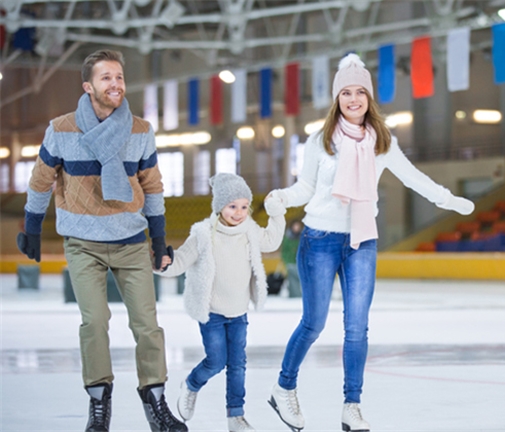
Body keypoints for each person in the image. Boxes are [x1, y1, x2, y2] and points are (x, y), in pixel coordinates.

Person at [265, 53, 474, 432]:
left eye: (360, 91)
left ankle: (351, 405)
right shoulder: (320, 140)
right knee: (313, 323)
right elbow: (307, 187)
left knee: (357, 327)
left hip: (363, 240)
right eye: (346, 92)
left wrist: (447, 199)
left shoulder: (382, 141)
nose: (354, 99)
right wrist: (281, 197)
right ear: (336, 98)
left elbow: (413, 177)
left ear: (370, 97)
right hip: (321, 237)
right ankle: (284, 388)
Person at [16, 49, 186, 432]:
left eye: (120, 77)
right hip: (83, 242)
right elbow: (41, 180)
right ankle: (99, 404)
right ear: (88, 86)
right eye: (106, 78)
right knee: (94, 322)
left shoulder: (140, 130)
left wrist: (158, 242)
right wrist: (31, 227)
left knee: (148, 324)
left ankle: (156, 403)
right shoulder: (61, 129)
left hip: (130, 240)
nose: (115, 84)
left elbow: (153, 187)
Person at [156, 173, 286, 432]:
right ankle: (191, 384)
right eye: (232, 206)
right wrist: (162, 264)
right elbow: (181, 260)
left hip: (239, 312)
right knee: (216, 361)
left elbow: (271, 240)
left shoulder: (249, 230)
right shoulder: (203, 233)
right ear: (219, 206)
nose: (239, 213)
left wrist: (276, 213)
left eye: (244, 207)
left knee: (237, 365)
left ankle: (235, 416)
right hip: (212, 313)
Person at [280, 220, 304, 298]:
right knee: (292, 279)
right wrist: (286, 260)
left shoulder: (302, 237)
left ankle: (301, 295)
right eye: (295, 226)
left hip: (300, 262)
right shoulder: (288, 237)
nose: (296, 228)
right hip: (290, 261)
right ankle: (294, 295)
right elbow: (284, 250)